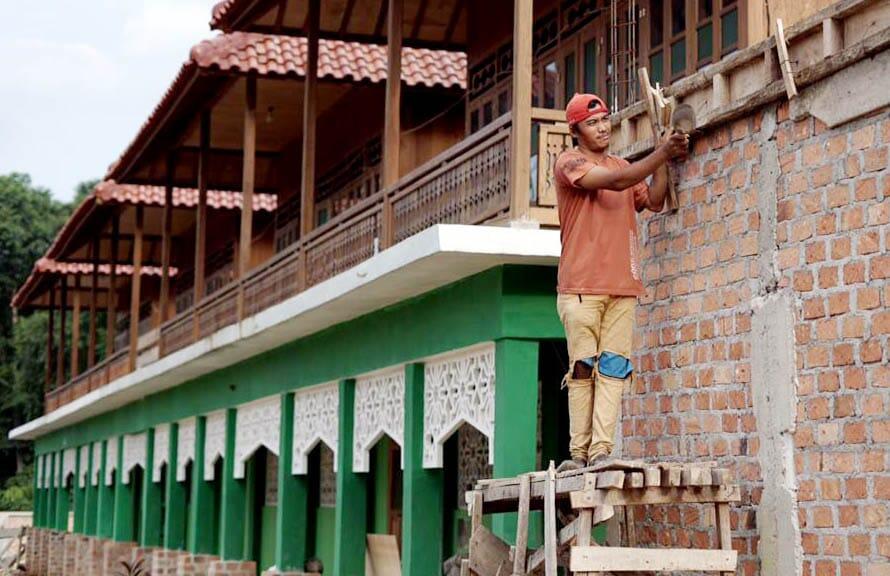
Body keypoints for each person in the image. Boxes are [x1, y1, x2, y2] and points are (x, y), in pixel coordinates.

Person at [555, 93, 689, 473]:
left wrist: (661, 156)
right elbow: (614, 182)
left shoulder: (623, 165)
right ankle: (578, 454)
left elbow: (656, 199)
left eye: (604, 120)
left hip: (622, 286)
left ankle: (600, 452)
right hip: (579, 288)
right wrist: (661, 153)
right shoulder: (570, 163)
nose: (602, 128)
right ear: (576, 130)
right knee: (583, 369)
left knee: (613, 368)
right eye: (593, 122)